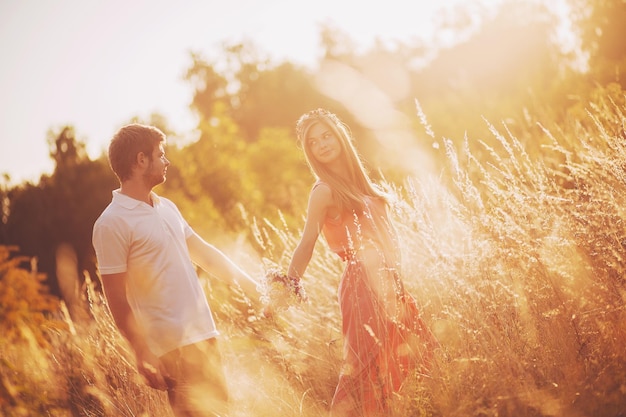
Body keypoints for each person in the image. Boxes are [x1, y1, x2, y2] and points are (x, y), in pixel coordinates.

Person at [92, 123, 262, 417]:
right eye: (161, 154)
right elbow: (116, 298)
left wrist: (256, 290)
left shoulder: (167, 207)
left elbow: (206, 256)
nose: (167, 161)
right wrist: (141, 350)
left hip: (204, 335)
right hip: (172, 348)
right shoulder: (111, 223)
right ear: (141, 160)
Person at [286, 109, 439, 416]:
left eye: (326, 135)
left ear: (340, 135)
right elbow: (307, 242)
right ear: (310, 152)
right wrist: (288, 285)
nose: (322, 144)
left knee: (419, 352)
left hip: (390, 282)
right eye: (314, 142)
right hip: (361, 286)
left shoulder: (362, 185)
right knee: (364, 367)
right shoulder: (324, 191)